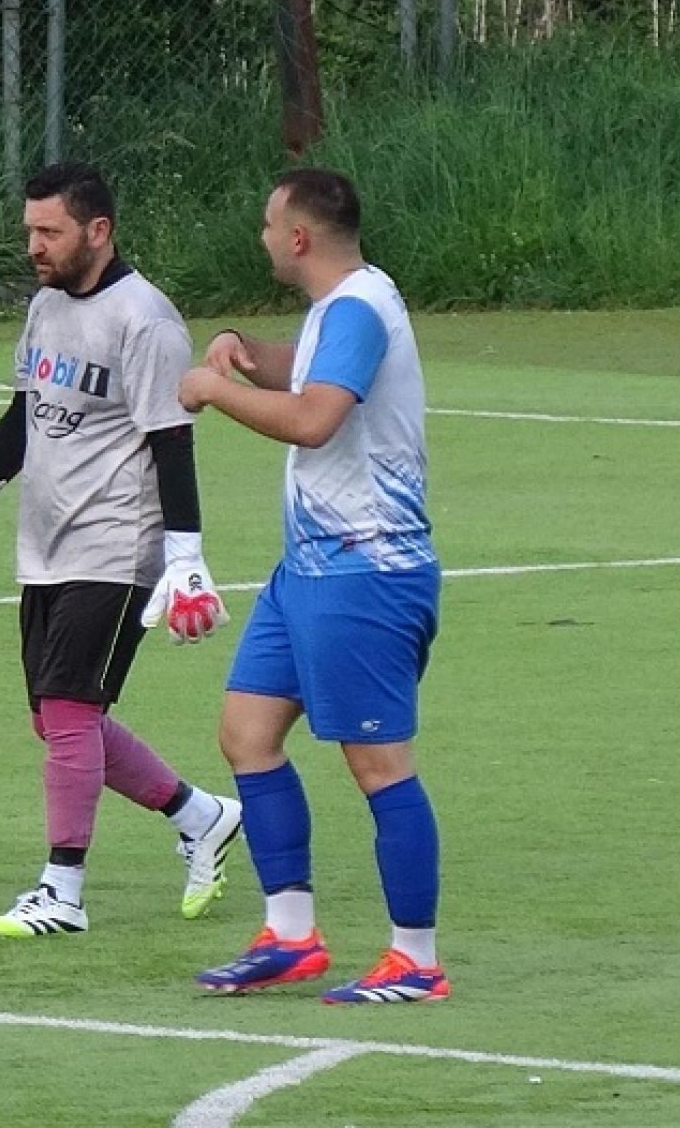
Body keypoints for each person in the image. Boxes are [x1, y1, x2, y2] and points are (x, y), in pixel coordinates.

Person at [0, 161, 242, 938]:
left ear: (98, 230)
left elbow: (172, 442)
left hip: (118, 548)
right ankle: (201, 815)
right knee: (61, 720)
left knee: (67, 708)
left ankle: (62, 891)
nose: (34, 245)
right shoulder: (46, 306)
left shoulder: (146, 320)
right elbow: (23, 417)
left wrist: (185, 557)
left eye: (49, 231)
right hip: (46, 547)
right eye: (30, 229)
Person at [178, 168, 448, 1003]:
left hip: (367, 572)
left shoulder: (359, 307)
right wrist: (247, 352)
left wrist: (216, 389)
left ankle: (416, 958)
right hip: (309, 571)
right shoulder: (344, 306)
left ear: (298, 237)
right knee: (247, 732)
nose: (262, 236)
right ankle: (291, 934)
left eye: (269, 224)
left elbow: (315, 418)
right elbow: (312, 374)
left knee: (378, 762)